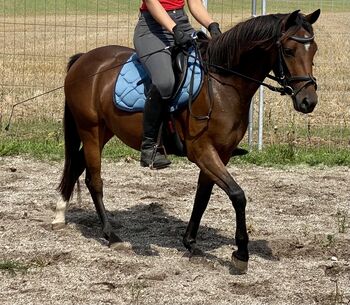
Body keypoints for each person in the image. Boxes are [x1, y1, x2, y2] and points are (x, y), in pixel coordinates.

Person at [134, 0, 221, 169]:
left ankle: (219, 138)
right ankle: (149, 147)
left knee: (214, 64)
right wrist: (174, 29)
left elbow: (194, 4)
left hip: (181, 24)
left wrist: (212, 25)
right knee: (164, 81)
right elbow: (152, 3)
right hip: (152, 29)